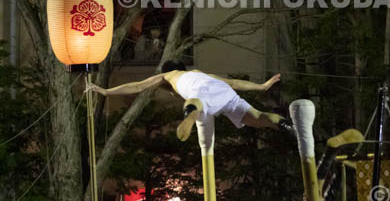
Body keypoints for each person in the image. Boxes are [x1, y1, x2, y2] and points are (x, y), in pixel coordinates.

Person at [86, 60, 289, 141]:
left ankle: (190, 115)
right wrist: (262, 86)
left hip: (201, 93)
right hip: (225, 92)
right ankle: (285, 124)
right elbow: (233, 82)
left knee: (195, 103)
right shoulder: (198, 72)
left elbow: (137, 86)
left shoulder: (168, 76)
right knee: (256, 118)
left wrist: (105, 91)